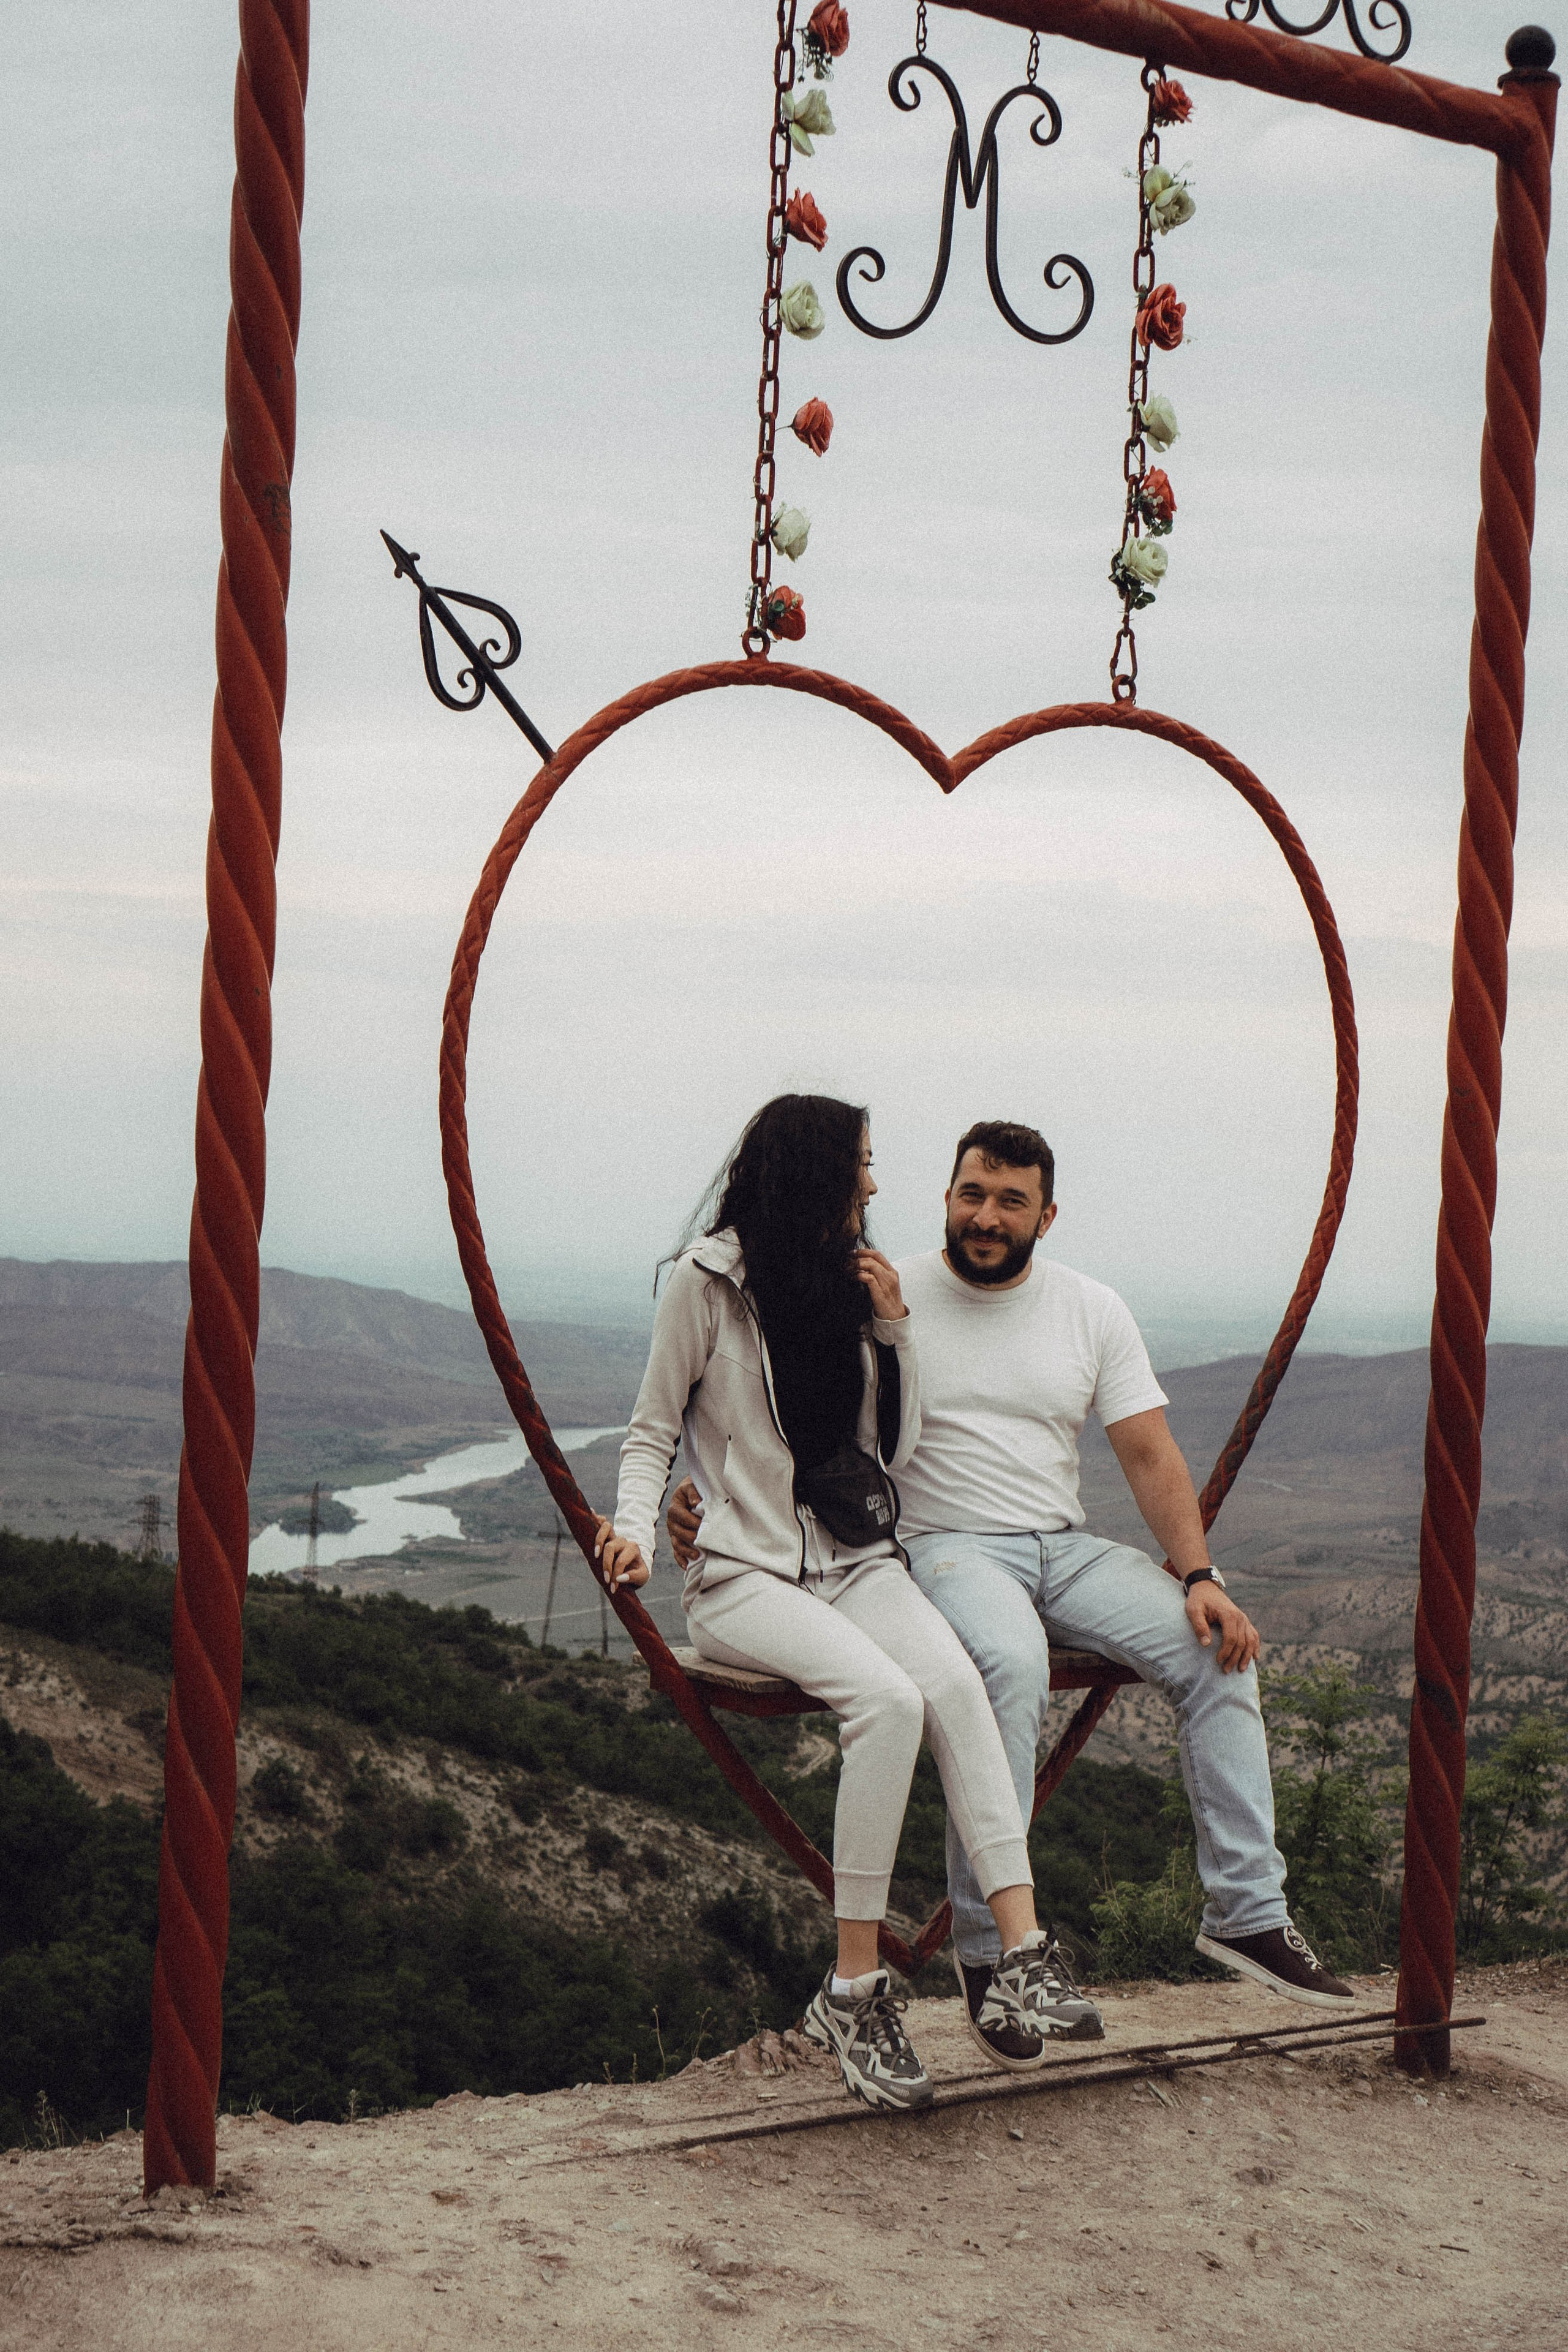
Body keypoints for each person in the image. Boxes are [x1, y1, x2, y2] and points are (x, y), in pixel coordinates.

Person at [669, 1116, 1357, 2041]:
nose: (985, 1217)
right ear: (947, 1197)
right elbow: (778, 1410)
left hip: (1060, 1545)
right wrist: (704, 1504)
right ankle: (993, 1959)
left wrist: (1199, 1573)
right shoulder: (880, 1287)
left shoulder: (1089, 1309)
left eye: (1009, 1202)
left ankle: (1248, 1914)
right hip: (944, 1544)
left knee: (1214, 1651)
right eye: (971, 1195)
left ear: (1047, 1214)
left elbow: (1149, 1454)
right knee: (1009, 1664)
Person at [597, 1094, 1071, 2111]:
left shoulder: (849, 1282)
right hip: (742, 1575)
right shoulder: (705, 1284)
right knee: (888, 1703)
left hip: (853, 1561)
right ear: (814, 1170)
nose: (871, 1180)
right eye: (861, 1160)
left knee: (953, 1686)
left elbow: (886, 1454)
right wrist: (636, 1533)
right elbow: (650, 1432)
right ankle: (853, 1991)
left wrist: (894, 1328)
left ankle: (1026, 1946)